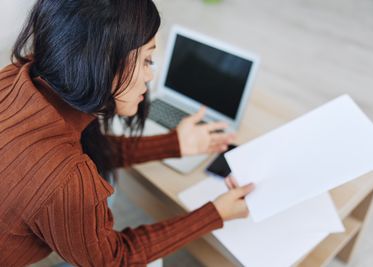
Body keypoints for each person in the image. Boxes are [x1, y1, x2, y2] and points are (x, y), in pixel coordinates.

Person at [0, 0, 254, 266]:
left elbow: (83, 152)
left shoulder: (19, 76)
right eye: (146, 60)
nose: (149, 76)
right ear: (101, 62)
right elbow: (115, 260)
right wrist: (215, 214)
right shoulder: (66, 180)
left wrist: (174, 143)